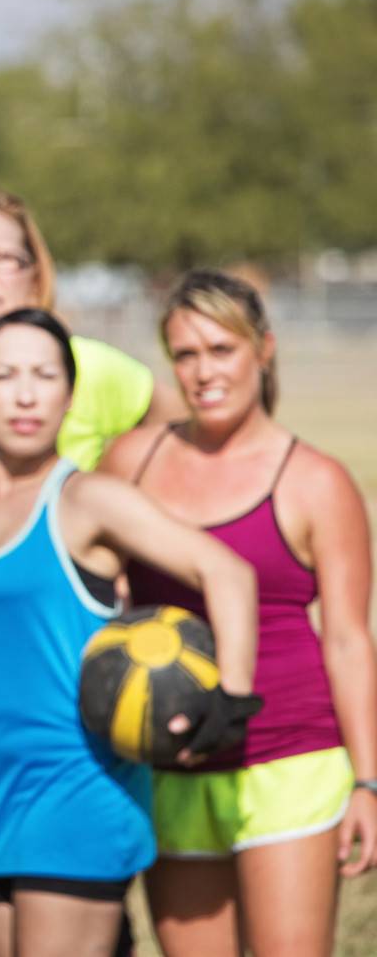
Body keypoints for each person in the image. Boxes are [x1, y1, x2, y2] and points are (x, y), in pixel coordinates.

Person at [0, 307, 259, 957]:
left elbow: (227, 572)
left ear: (69, 394)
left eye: (45, 375)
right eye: (6, 374)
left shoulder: (87, 501)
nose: (25, 393)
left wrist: (229, 704)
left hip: (76, 789)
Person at [101, 269, 377, 956]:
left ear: (264, 350)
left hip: (290, 759)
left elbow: (347, 640)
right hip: (168, 760)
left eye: (221, 350)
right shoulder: (131, 461)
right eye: (186, 355)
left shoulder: (317, 482)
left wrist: (369, 781)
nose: (203, 372)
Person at [0, 189, 183, 477]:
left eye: (1, 257)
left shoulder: (89, 365)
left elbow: (190, 433)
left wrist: (113, 486)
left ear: (36, 276)